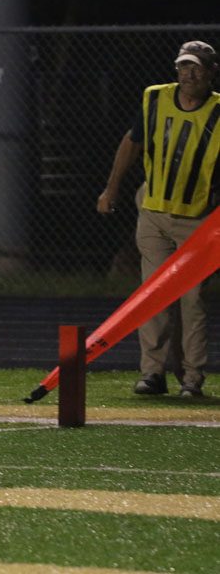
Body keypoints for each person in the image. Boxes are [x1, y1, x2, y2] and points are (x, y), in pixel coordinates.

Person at [97, 40, 219, 398]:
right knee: (153, 295)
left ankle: (192, 377)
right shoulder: (154, 98)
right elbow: (132, 143)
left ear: (212, 72)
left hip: (197, 218)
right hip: (153, 210)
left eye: (197, 67)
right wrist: (111, 189)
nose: (189, 74)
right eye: (184, 66)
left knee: (191, 299)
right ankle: (152, 372)